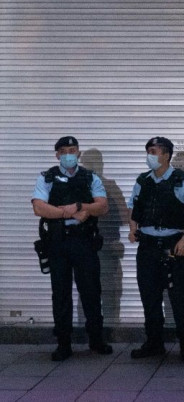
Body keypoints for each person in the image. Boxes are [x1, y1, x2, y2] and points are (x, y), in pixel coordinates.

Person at [31, 136, 112, 361]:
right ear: (57, 154)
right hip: (58, 242)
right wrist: (70, 213)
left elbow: (102, 206)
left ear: (79, 153)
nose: (69, 154)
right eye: (64, 150)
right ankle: (63, 343)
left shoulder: (89, 177)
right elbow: (39, 207)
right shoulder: (47, 177)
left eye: (73, 150)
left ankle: (96, 340)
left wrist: (80, 206)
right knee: (61, 294)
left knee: (91, 292)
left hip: (84, 241)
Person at [127, 137, 184, 362]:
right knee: (149, 298)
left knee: (179, 297)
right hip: (148, 246)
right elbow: (134, 207)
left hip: (174, 246)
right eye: (148, 151)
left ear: (167, 155)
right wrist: (133, 229)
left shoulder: (183, 180)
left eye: (154, 151)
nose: (150, 155)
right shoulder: (143, 181)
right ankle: (154, 343)